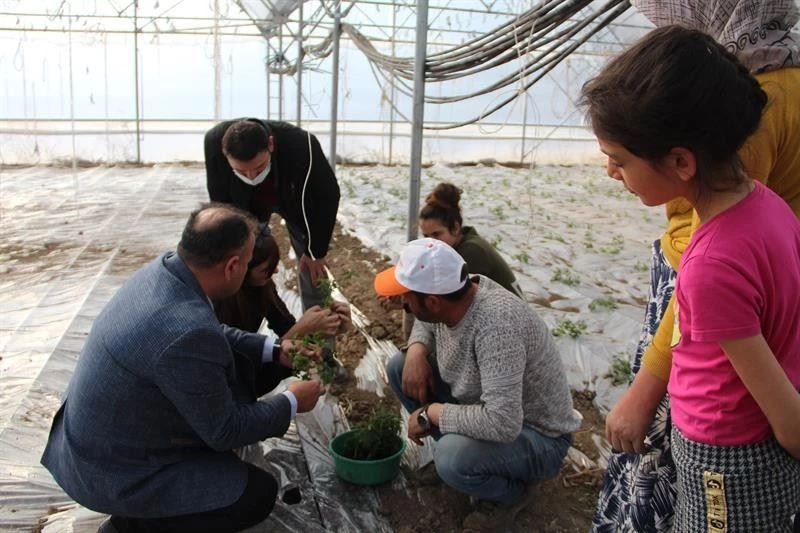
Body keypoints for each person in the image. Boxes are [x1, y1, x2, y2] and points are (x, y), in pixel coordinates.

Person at [582, 25, 800, 531]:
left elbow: (786, 418)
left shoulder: (709, 265)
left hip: (729, 467)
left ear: (680, 160)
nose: (612, 174)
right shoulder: (768, 206)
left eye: (619, 161)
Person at [41, 203, 326, 533]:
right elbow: (224, 431)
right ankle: (129, 525)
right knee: (254, 493)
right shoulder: (185, 332)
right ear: (233, 266)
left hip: (92, 440)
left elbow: (211, 330)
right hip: (110, 468)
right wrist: (291, 402)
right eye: (248, 262)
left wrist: (274, 350)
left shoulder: (165, 273)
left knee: (227, 388)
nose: (250, 268)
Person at [375, 238, 580, 530]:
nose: (403, 303)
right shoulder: (459, 292)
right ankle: (466, 461)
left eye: (407, 300)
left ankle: (510, 494)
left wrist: (430, 413)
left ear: (432, 302)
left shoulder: (496, 328)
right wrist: (418, 348)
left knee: (451, 458)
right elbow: (427, 319)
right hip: (489, 408)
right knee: (400, 366)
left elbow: (503, 422)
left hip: (537, 435)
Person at [205, 118, 340, 312]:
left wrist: (315, 251)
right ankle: (239, 329)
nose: (251, 177)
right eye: (241, 171)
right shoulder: (213, 142)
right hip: (246, 205)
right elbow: (219, 203)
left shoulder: (301, 144)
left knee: (311, 267)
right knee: (240, 265)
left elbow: (328, 195)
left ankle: (319, 327)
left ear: (270, 144)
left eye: (259, 168)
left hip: (292, 198)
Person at [213, 228, 351, 340]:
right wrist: (302, 330)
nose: (276, 271)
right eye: (265, 269)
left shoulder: (263, 288)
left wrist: (328, 328)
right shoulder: (217, 305)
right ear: (240, 267)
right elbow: (250, 360)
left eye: (275, 264)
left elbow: (285, 328)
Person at [419, 182, 523, 297]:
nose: (431, 242)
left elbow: (448, 298)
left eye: (436, 234)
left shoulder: (472, 251)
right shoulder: (462, 242)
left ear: (455, 228)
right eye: (426, 237)